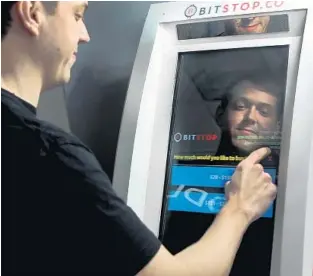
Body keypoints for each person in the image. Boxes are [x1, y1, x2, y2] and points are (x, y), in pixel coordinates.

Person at [2, 1, 277, 275]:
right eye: (76, 15)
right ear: (32, 13)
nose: (84, 34)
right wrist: (240, 208)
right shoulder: (53, 154)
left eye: (264, 111)